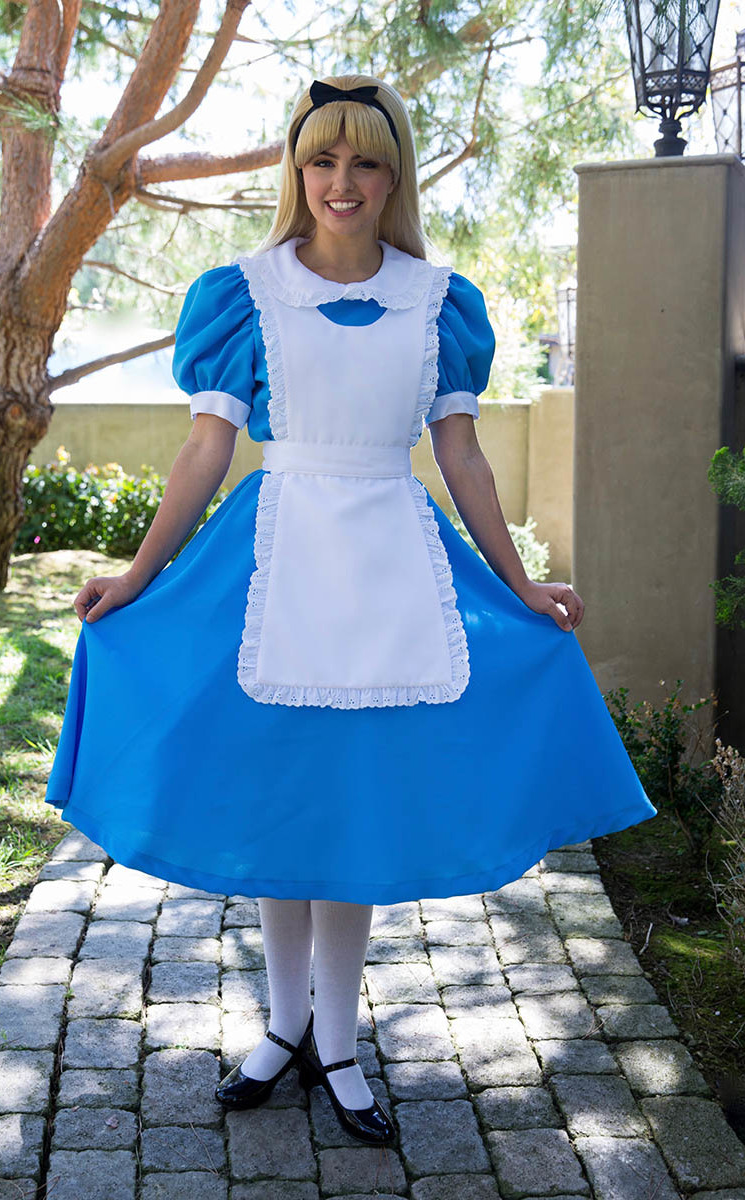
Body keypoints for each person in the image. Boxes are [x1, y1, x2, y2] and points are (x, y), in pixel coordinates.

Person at [44, 74, 658, 1147]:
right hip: (270, 563)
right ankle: (283, 1026)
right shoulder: (242, 294)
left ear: (393, 175)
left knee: (353, 806)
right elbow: (205, 451)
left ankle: (336, 1040)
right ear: (297, 171)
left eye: (365, 161)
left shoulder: (438, 302)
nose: (342, 181)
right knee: (286, 801)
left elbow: (462, 457)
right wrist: (137, 577)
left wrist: (520, 585)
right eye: (322, 160)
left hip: (393, 569)